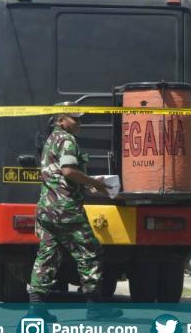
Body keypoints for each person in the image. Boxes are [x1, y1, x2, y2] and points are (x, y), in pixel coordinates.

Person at [28, 103, 122, 321]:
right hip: (66, 210)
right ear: (61, 120)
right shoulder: (68, 140)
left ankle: (36, 309)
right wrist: (95, 184)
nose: (79, 123)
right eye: (75, 119)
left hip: (47, 210)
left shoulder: (51, 140)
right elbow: (68, 170)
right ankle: (95, 307)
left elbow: (59, 176)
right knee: (91, 252)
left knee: (47, 256)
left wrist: (86, 184)